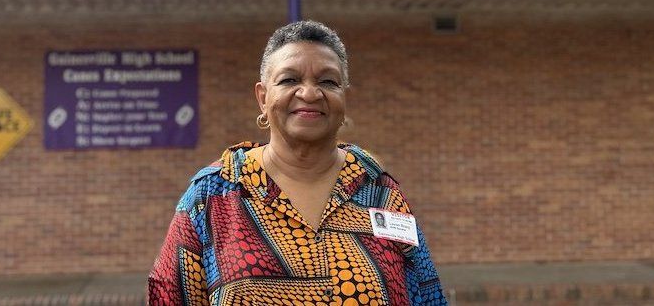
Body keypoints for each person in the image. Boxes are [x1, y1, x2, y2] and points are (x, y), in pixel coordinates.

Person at [149, 21, 447, 305]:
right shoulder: (213, 195)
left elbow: (426, 293)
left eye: (328, 81)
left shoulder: (380, 192)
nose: (309, 93)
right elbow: (168, 296)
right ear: (262, 97)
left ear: (343, 98)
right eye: (290, 79)